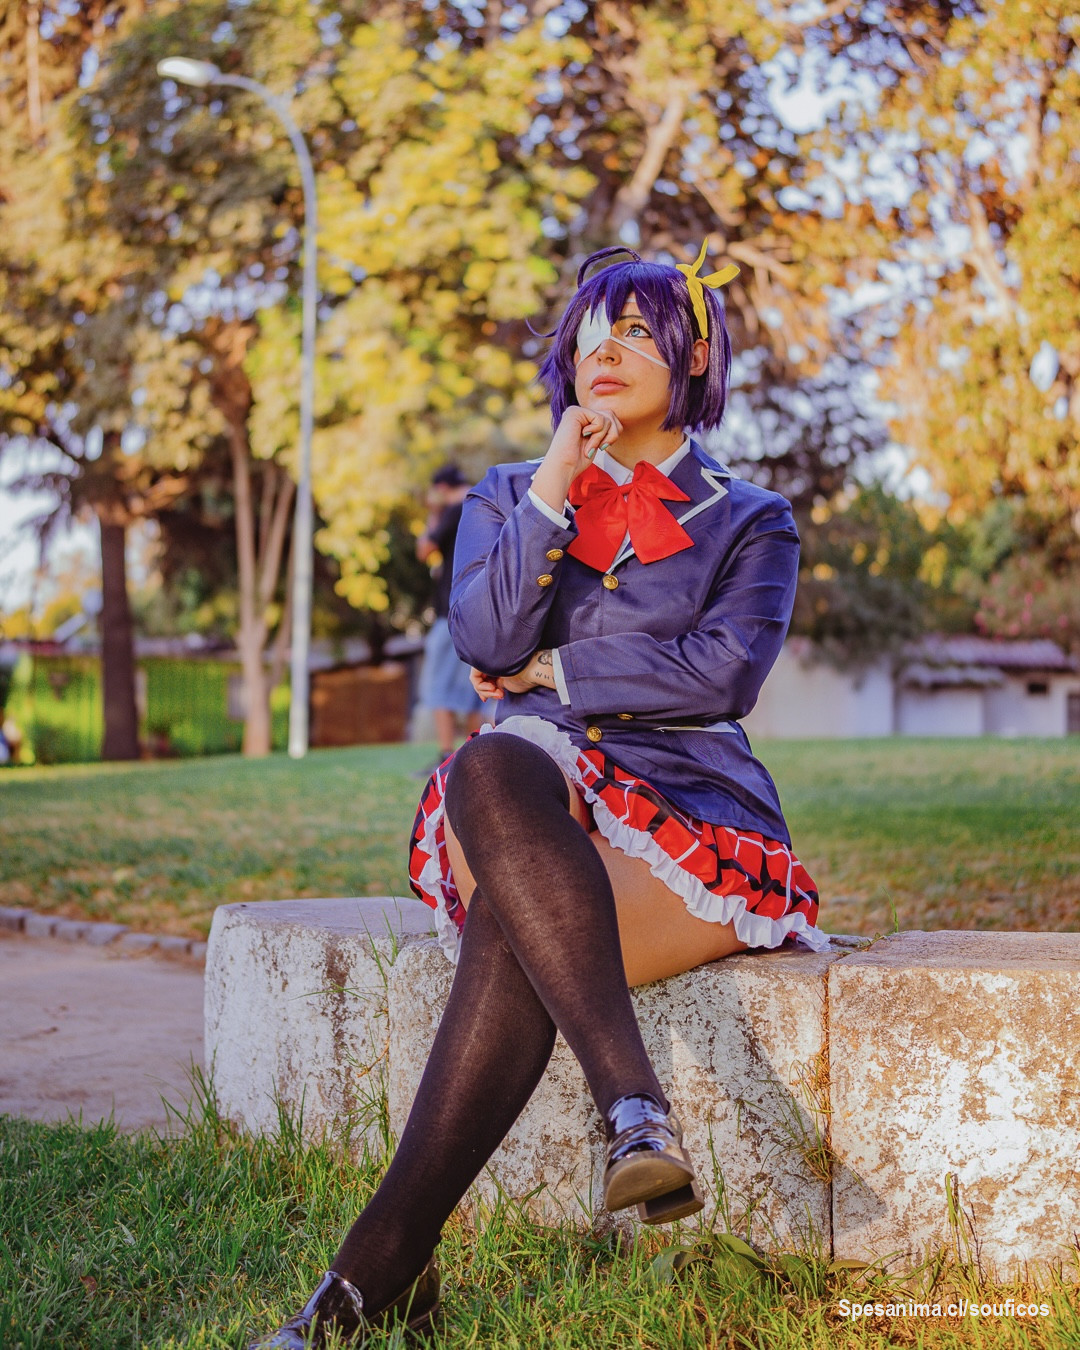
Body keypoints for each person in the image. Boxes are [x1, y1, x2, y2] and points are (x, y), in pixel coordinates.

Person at [251, 243, 827, 1348]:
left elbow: (722, 675)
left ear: (692, 357)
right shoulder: (511, 494)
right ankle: (634, 1110)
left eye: (638, 332)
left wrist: (553, 669)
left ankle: (376, 1273)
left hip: (688, 813)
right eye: (589, 334)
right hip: (526, 792)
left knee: (517, 923)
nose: (604, 351)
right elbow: (485, 637)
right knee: (490, 765)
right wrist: (558, 478)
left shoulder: (751, 516)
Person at [415, 465, 484, 766]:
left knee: (437, 685)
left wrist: (433, 513)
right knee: (474, 688)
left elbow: (424, 550)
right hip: (479, 613)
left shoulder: (454, 510)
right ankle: (478, 756)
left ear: (442, 488)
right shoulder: (482, 506)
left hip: (450, 614)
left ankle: (445, 754)